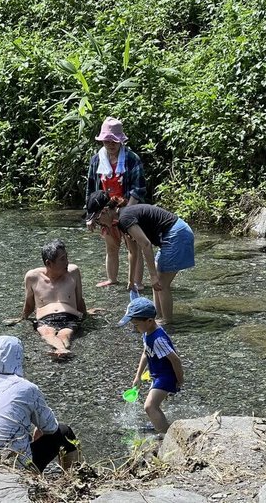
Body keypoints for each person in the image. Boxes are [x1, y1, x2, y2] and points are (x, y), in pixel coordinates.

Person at [0, 336, 79, 472]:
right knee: (64, 432)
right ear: (18, 357)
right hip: (15, 467)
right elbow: (51, 428)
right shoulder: (27, 388)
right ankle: (71, 479)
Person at [86, 190, 194, 324]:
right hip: (174, 234)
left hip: (177, 234)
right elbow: (133, 252)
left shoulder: (125, 218)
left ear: (105, 210)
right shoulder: (121, 220)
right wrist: (131, 281)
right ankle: (156, 317)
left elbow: (146, 244)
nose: (99, 224)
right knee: (157, 281)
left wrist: (153, 276)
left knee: (161, 283)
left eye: (97, 219)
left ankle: (167, 321)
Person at [85, 117, 147, 288]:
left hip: (128, 207)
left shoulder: (132, 159)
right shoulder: (96, 160)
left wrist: (128, 212)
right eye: (106, 140)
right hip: (106, 212)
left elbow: (139, 189)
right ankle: (112, 279)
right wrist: (90, 216)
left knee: (133, 248)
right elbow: (91, 190)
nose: (110, 144)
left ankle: (137, 282)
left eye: (113, 141)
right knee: (111, 247)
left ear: (120, 141)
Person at [119, 297, 184, 433]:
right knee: (155, 405)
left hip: (166, 376)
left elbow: (175, 360)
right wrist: (138, 376)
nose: (134, 328)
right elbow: (146, 353)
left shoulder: (158, 339)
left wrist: (179, 379)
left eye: (136, 324)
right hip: (157, 375)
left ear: (149, 321)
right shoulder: (147, 332)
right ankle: (164, 425)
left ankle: (165, 435)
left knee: (149, 406)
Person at [22, 239, 86, 357]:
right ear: (49, 263)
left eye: (66, 257)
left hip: (70, 317)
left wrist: (86, 316)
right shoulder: (33, 277)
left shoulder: (74, 272)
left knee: (65, 334)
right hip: (45, 319)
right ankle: (62, 350)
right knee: (47, 333)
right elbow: (29, 304)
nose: (67, 262)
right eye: (62, 259)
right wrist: (22, 318)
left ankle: (60, 350)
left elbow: (79, 300)